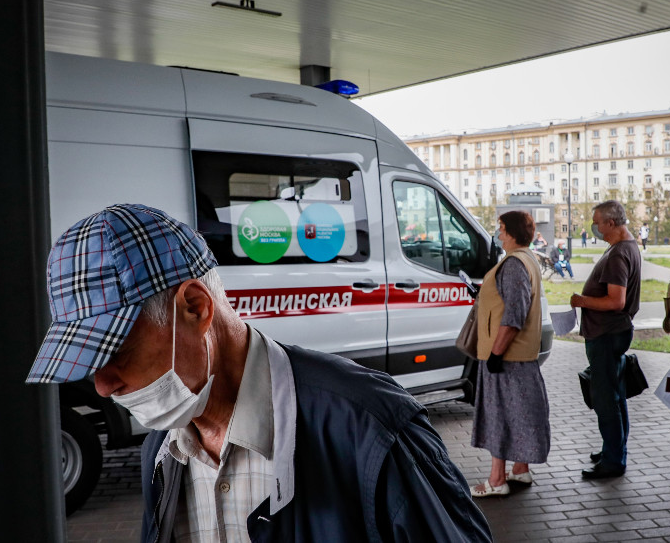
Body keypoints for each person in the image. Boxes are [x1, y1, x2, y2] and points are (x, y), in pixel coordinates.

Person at [25, 204, 492, 542]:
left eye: (116, 353)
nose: (103, 386)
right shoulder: (163, 451)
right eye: (89, 364)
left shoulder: (371, 430)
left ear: (195, 308)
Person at [470, 211, 551, 497]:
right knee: (519, 413)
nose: (499, 233)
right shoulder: (528, 258)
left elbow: (514, 315)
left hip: (506, 356)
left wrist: (495, 353)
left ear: (514, 232)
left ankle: (496, 481)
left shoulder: (514, 264)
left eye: (502, 229)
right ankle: (520, 469)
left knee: (499, 416)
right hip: (520, 356)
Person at [570, 201, 641, 479]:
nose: (594, 227)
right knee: (615, 394)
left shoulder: (618, 254)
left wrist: (581, 300)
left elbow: (616, 300)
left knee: (605, 399)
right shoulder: (626, 247)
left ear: (611, 223)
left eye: (597, 222)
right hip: (612, 333)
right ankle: (613, 449)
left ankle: (613, 460)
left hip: (607, 334)